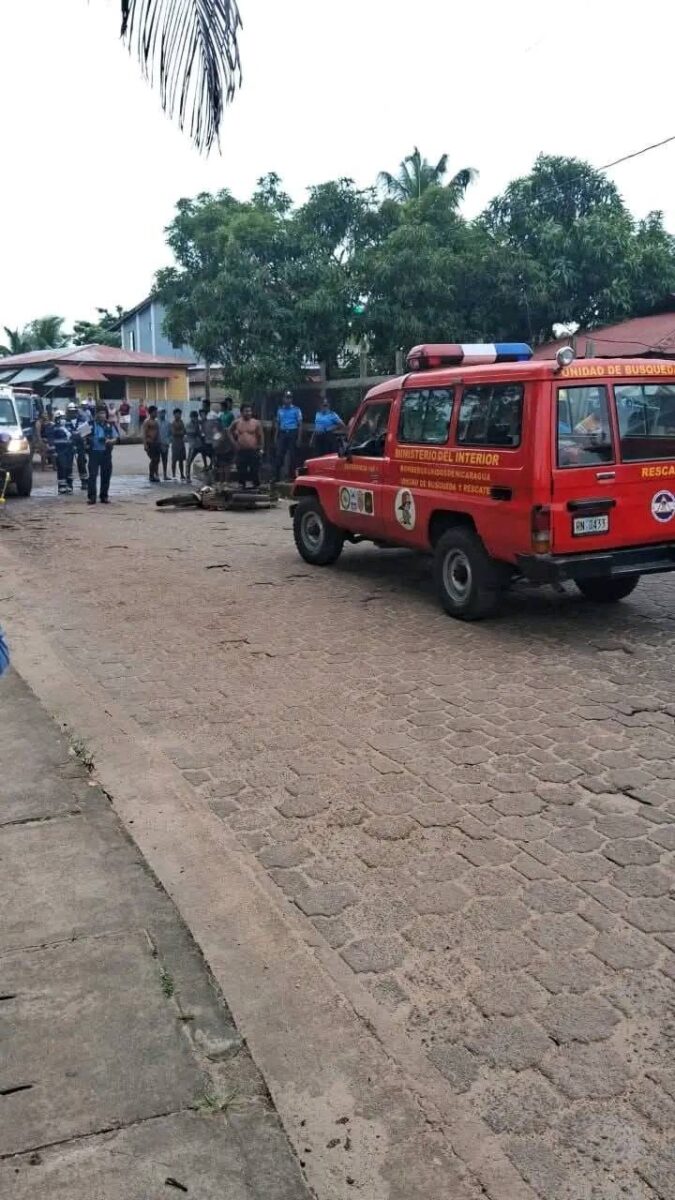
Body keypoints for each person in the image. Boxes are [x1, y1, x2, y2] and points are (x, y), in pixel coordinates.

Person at [86, 404, 118, 504]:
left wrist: (110, 441)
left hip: (106, 453)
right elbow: (80, 435)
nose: (102, 415)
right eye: (100, 413)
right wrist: (85, 443)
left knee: (106, 475)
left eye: (104, 413)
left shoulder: (110, 425)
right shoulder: (90, 424)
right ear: (96, 414)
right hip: (94, 453)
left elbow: (116, 438)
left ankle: (104, 496)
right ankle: (92, 497)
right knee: (92, 476)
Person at [230, 403, 263, 489]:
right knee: (241, 470)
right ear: (241, 412)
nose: (248, 413)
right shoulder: (237, 422)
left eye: (249, 411)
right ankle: (242, 485)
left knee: (254, 470)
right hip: (241, 450)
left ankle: (256, 486)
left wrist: (261, 449)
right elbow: (228, 431)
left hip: (253, 450)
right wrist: (234, 443)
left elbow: (261, 436)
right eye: (246, 411)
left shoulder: (256, 423)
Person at [273, 390, 303, 482]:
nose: (288, 399)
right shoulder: (280, 410)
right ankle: (276, 476)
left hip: (292, 432)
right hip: (282, 433)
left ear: (292, 399)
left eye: (289, 398)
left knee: (293, 455)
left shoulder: (296, 410)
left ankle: (293, 477)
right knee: (279, 455)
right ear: (283, 398)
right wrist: (275, 436)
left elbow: (300, 424)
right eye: (286, 397)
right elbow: (278, 424)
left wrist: (299, 437)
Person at [45, 410, 75, 495]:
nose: (63, 419)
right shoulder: (53, 428)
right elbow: (50, 440)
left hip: (69, 450)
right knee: (62, 468)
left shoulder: (69, 426)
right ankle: (62, 487)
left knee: (69, 468)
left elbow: (73, 435)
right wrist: (53, 451)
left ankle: (69, 486)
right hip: (60, 450)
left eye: (64, 417)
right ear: (57, 418)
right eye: (61, 418)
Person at [66, 401, 89, 490]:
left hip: (80, 445)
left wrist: (85, 443)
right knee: (68, 465)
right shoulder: (65, 421)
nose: (72, 413)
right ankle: (69, 484)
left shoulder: (82, 420)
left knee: (81, 463)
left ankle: (84, 482)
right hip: (69, 446)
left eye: (74, 411)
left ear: (76, 411)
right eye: (70, 411)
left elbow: (86, 433)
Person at [186, 411, 206, 482]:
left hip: (199, 444)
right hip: (192, 445)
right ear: (191, 417)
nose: (195, 418)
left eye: (196, 417)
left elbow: (200, 433)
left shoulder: (197, 423)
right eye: (194, 417)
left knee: (205, 454)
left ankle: (206, 468)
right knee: (189, 461)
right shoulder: (189, 424)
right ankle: (187, 476)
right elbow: (193, 433)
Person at [143, 405, 161, 483]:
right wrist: (145, 445)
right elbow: (144, 434)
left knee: (157, 460)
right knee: (154, 459)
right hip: (150, 442)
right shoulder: (147, 421)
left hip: (156, 443)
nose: (156, 413)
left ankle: (155, 474)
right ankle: (151, 475)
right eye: (155, 412)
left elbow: (158, 433)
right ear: (151, 412)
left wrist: (160, 442)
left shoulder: (156, 422)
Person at [170, 408, 187, 481]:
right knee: (174, 460)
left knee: (181, 460)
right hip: (175, 443)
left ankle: (182, 474)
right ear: (174, 415)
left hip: (181, 442)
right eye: (177, 414)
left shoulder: (182, 422)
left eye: (179, 414)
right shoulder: (173, 423)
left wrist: (181, 432)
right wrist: (181, 432)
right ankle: (173, 474)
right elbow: (174, 433)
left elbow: (184, 431)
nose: (178, 415)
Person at [157, 410, 171, 481]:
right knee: (156, 460)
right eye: (160, 413)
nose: (162, 414)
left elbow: (170, 434)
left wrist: (168, 442)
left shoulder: (168, 423)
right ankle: (156, 474)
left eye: (163, 412)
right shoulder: (156, 423)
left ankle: (165, 475)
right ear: (158, 414)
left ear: (165, 413)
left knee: (165, 460)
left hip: (165, 444)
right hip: (157, 444)